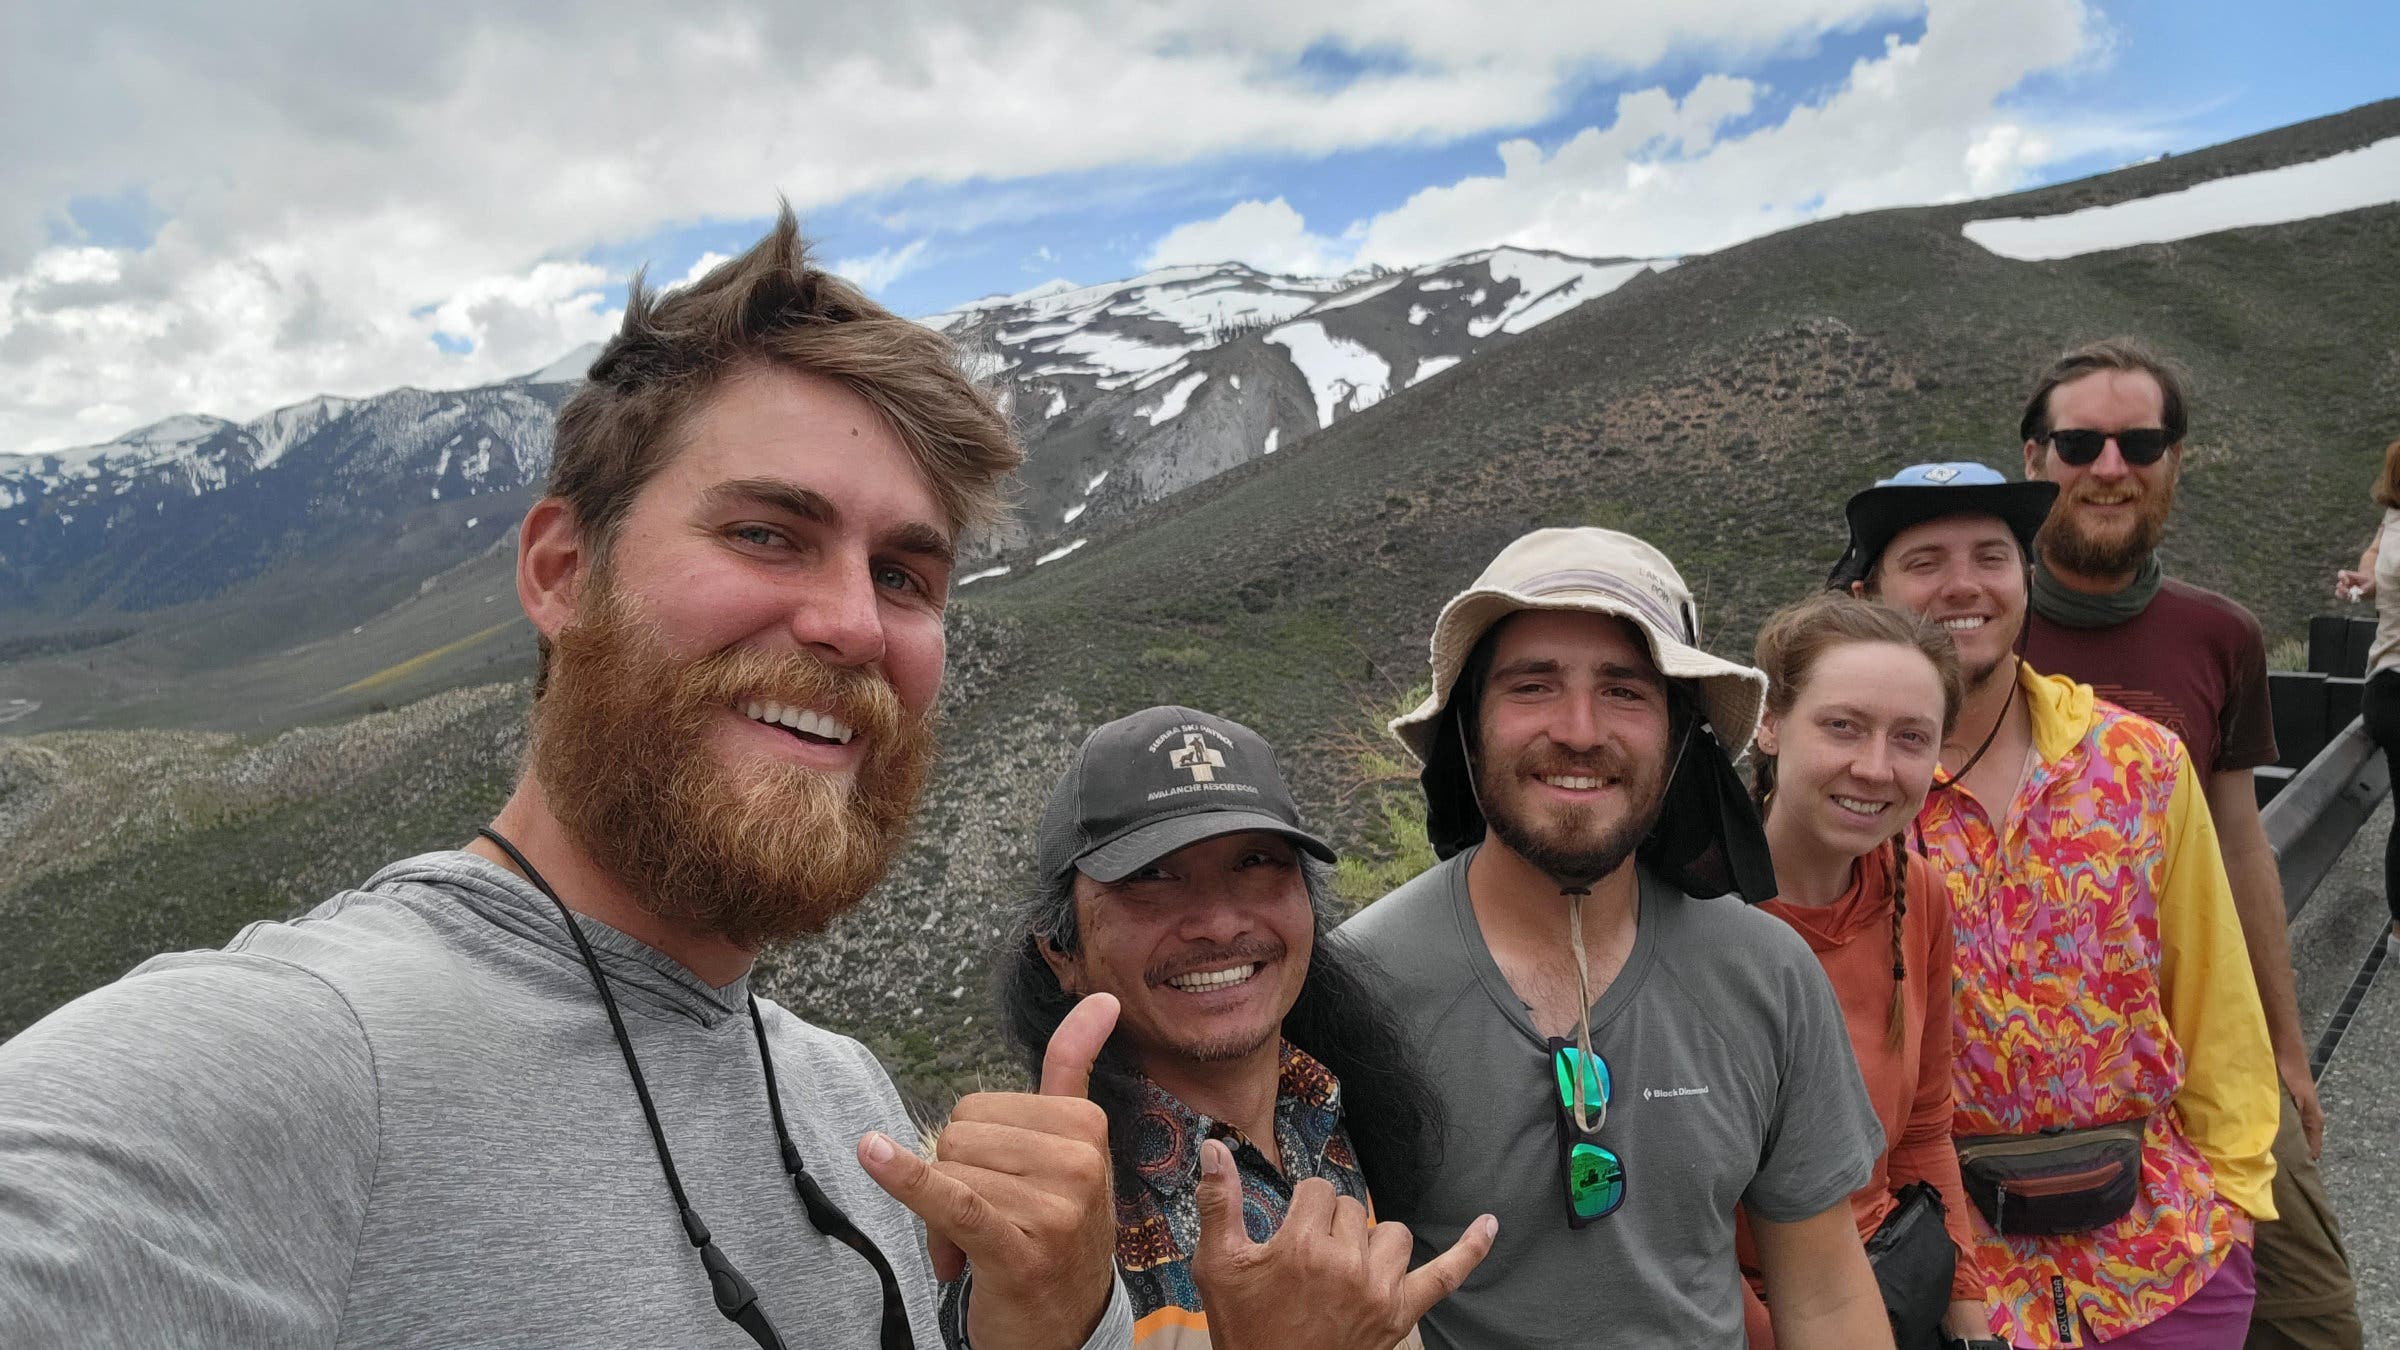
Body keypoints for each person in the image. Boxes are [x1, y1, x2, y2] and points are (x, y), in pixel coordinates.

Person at [0, 212, 1135, 1350]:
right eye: (764, 533)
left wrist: (1053, 1328)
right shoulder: (289, 1061)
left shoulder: (850, 1102)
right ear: (560, 575)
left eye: (903, 574)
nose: (850, 623)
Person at [1339, 527, 1894, 1349]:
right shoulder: (1359, 990)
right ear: (1468, 727)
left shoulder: (1767, 974)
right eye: (1533, 686)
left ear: (1679, 737)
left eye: (1625, 691)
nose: (1578, 729)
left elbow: (1827, 1299)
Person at [1834, 462, 2280, 1348]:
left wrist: (2236, 1200)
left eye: (1991, 556)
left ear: (2027, 580)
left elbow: (2211, 990)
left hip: (2164, 1254)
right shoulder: (1845, 792)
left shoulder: (2139, 763)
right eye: (1924, 560)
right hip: (1949, 1275)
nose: (1963, 585)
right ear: (1867, 593)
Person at [2017, 340, 2360, 1350]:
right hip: (2041, 1061)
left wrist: (2285, 1050)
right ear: (2035, 459)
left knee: (2307, 1320)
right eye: (2080, 441)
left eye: (2141, 441)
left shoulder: (2221, 634)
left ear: (2174, 460)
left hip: (2210, 1038)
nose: (2109, 466)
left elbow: (2241, 844)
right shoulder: (1971, 626)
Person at [996, 705, 1493, 1348]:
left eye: (1256, 861)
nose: (1221, 923)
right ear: (1061, 953)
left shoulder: (1342, 1111)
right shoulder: (1048, 1236)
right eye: (1153, 876)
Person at [1737, 593, 1999, 1350]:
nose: (1876, 767)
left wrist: (1974, 1331)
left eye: (1911, 737)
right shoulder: (1686, 918)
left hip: (1890, 1287)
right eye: (1843, 726)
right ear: (1772, 723)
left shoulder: (1915, 895)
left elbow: (1921, 1134)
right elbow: (1677, 1210)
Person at [2334, 437, 2400, 949]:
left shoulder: (2390, 528)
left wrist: (2360, 583)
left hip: (2383, 688)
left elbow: (2373, 568)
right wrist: (2361, 582)